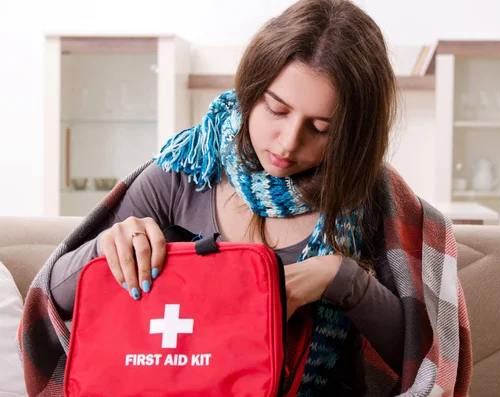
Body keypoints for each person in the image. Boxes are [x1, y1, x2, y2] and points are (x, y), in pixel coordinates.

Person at [21, 1, 472, 396]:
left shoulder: (367, 196)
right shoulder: (184, 172)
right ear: (252, 89)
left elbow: (424, 357)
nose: (288, 142)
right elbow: (54, 295)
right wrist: (107, 250)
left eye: (321, 128)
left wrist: (342, 279)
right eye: (276, 109)